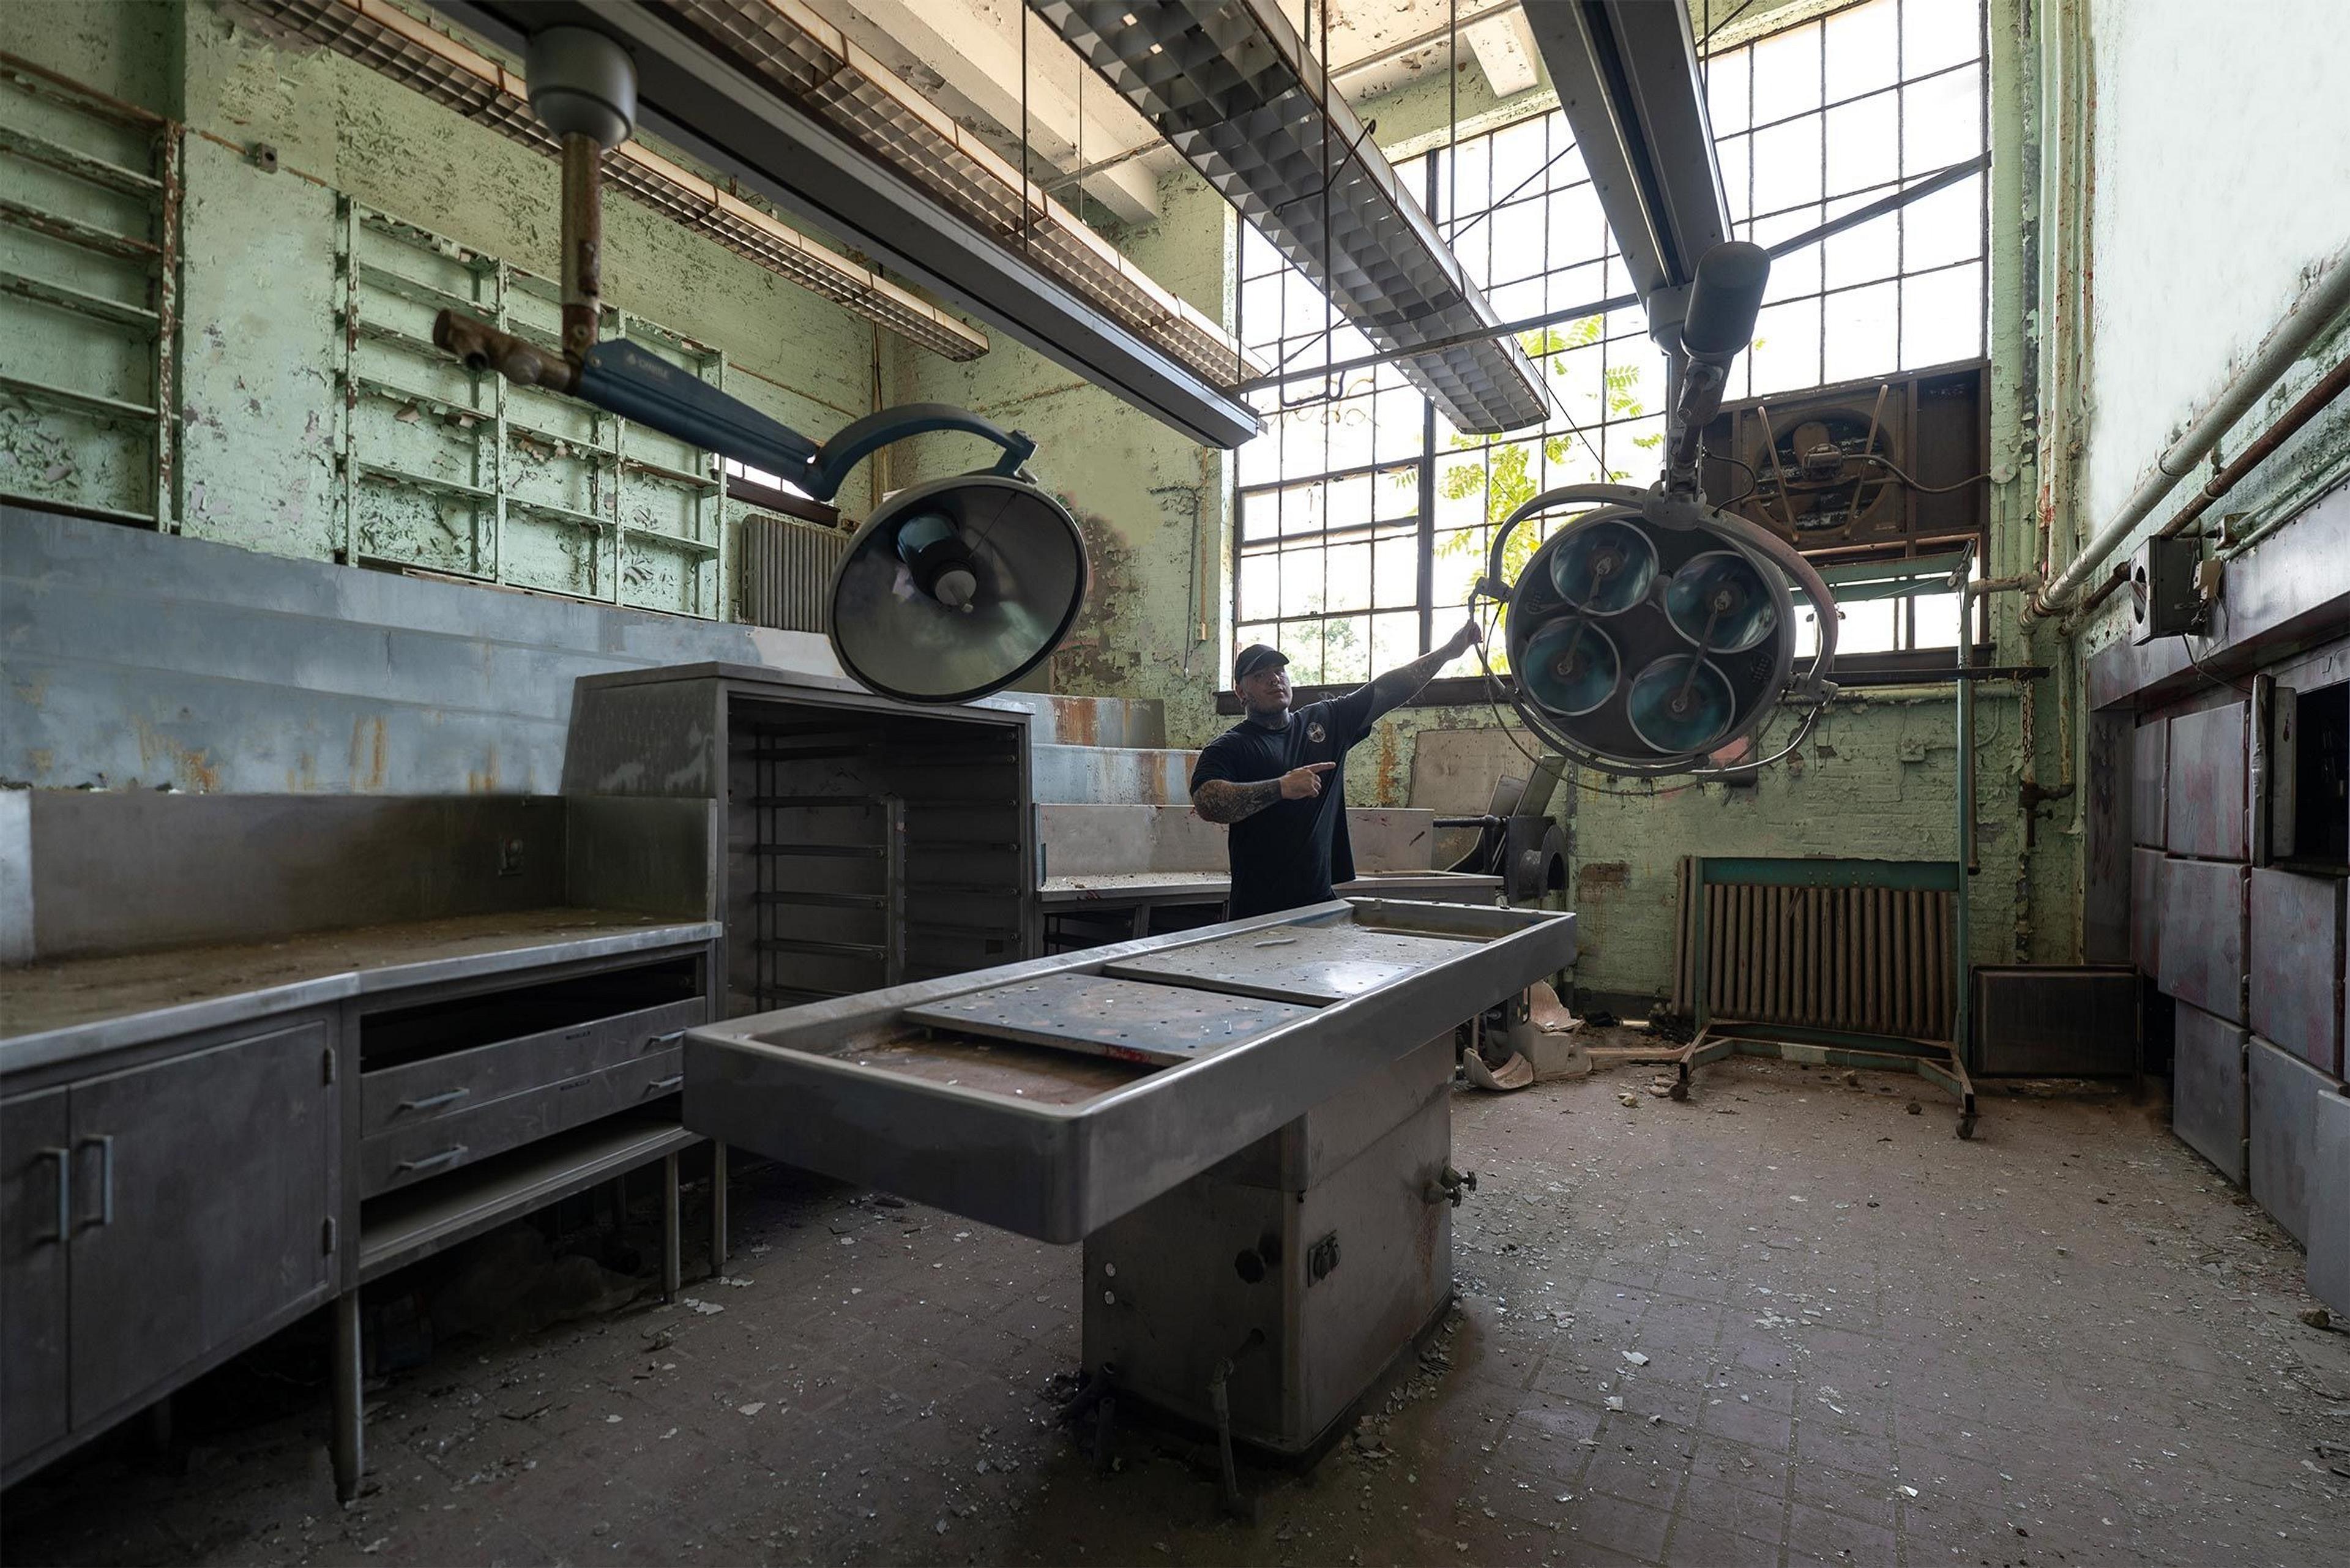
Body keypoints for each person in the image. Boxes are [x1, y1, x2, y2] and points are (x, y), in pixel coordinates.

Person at [1190, 621, 1485, 920]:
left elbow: (1388, 690)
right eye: (1260, 675)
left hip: (1320, 904)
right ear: (1240, 691)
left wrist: (1449, 652)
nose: (1275, 680)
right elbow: (1207, 802)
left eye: (1280, 671)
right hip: (1258, 911)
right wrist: (1281, 787)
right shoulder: (1229, 747)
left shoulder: (1325, 721)